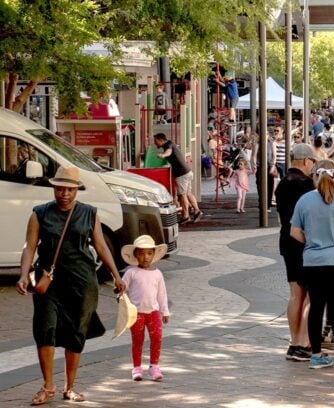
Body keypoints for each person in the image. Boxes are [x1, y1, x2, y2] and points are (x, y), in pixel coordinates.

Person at [16, 165, 127, 405]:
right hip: (49, 281)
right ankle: (48, 386)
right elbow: (29, 246)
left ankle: (70, 387)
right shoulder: (40, 213)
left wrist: (116, 276)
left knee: (76, 335)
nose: (64, 194)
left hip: (82, 282)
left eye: (70, 189)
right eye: (60, 189)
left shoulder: (89, 213)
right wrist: (24, 274)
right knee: (45, 330)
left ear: (77, 189)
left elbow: (101, 247)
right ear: (54, 188)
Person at [290, 159, 334, 370]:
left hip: (312, 261)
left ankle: (317, 354)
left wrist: (310, 242)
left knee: (316, 307)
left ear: (314, 176)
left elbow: (294, 232)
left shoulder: (304, 200)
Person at [275, 143, 317, 361]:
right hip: (305, 241)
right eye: (313, 162)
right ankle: (303, 342)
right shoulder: (307, 184)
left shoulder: (282, 184)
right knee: (310, 295)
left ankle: (294, 342)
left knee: (295, 294)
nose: (313, 167)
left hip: (287, 240)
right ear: (306, 161)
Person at [120, 235, 170, 383]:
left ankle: (154, 366)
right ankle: (136, 367)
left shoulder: (157, 274)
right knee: (137, 340)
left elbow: (162, 294)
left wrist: (164, 310)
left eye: (149, 253)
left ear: (154, 254)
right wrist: (119, 293)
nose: (145, 257)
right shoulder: (131, 272)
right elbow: (123, 289)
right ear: (135, 255)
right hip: (136, 313)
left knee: (157, 338)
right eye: (141, 253)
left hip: (153, 312)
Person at [153, 133, 202, 224]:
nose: (155, 143)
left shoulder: (168, 145)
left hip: (181, 174)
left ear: (160, 140)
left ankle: (186, 216)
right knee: (187, 193)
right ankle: (197, 211)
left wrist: (163, 155)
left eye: (155, 141)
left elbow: (169, 152)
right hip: (187, 172)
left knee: (182, 195)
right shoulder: (170, 144)